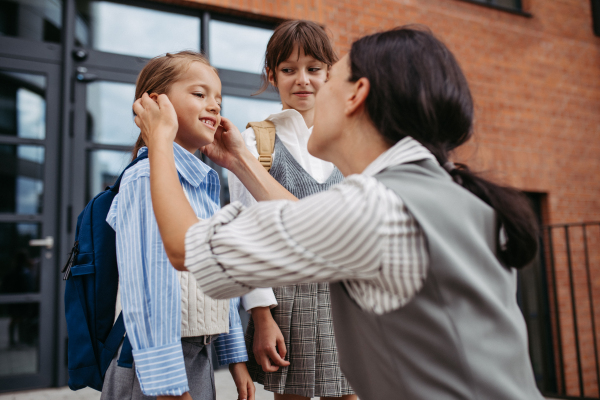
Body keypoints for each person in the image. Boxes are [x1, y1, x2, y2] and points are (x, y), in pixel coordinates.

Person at [133, 27, 545, 400]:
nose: (311, 85)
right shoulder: (441, 188)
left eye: (326, 75)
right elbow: (309, 220)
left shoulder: (375, 206)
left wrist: (162, 139)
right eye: (291, 70)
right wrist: (243, 161)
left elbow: (186, 249)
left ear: (356, 94)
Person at [101, 51, 254, 400]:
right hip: (154, 368)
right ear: (156, 103)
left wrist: (234, 357)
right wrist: (168, 386)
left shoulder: (204, 185)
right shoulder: (144, 179)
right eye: (200, 94)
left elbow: (219, 280)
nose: (214, 106)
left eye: (218, 98)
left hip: (196, 357)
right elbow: (147, 289)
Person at [229, 20, 355, 400]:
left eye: (314, 69)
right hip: (285, 297)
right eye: (289, 69)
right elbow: (247, 235)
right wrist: (262, 317)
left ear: (329, 73)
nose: (302, 79)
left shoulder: (350, 139)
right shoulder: (255, 140)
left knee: (350, 395)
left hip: (346, 296)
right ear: (272, 75)